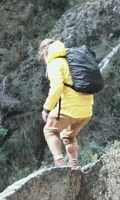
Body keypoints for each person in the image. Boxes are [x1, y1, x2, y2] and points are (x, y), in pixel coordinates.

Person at [38, 37, 93, 169]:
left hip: (69, 109)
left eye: (42, 56)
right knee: (68, 135)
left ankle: (60, 163)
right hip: (86, 110)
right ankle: (74, 164)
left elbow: (57, 87)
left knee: (50, 131)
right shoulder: (72, 60)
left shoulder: (55, 63)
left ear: (45, 52)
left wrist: (46, 109)